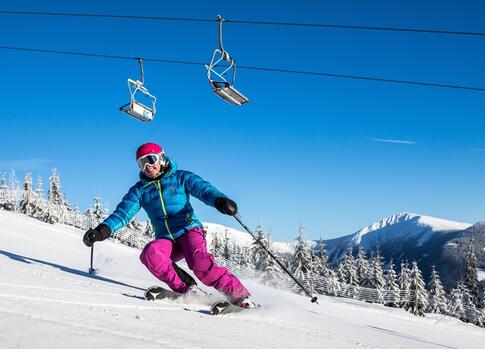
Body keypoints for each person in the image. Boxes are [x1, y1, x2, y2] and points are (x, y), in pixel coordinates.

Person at [83, 142, 255, 308]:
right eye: (141, 163)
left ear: (161, 158)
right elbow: (122, 214)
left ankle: (241, 297)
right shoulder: (139, 190)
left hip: (188, 230)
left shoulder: (181, 177)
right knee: (151, 254)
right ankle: (189, 290)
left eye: (150, 160)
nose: (147, 166)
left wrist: (219, 200)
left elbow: (203, 190)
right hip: (166, 239)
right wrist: (101, 231)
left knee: (200, 264)